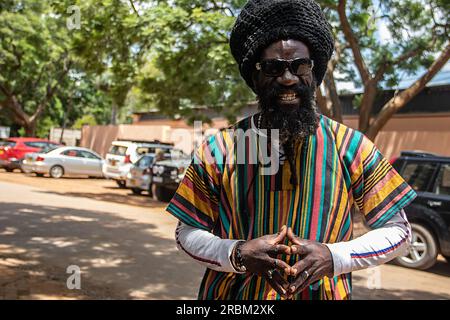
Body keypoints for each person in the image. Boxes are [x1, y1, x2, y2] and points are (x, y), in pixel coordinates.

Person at [166, 0, 416, 300]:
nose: (287, 78)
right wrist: (237, 253)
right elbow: (186, 232)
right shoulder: (219, 149)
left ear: (314, 71)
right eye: (273, 67)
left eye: (300, 65)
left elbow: (398, 231)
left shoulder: (351, 147)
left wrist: (334, 257)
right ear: (255, 76)